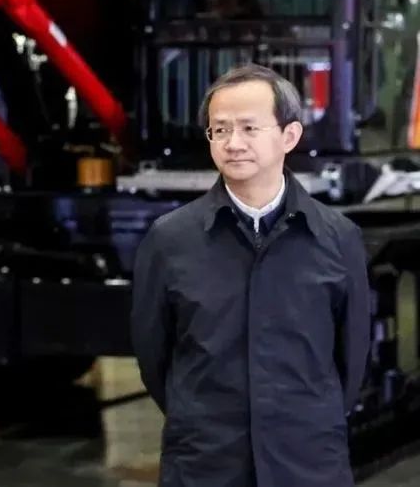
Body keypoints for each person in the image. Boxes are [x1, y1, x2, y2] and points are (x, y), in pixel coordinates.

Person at [131, 63, 370, 486]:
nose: (233, 143)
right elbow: (154, 356)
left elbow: (350, 359)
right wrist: (202, 419)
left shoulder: (337, 238)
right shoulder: (170, 240)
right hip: (206, 463)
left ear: (289, 136)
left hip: (307, 462)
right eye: (220, 130)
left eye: (248, 128)